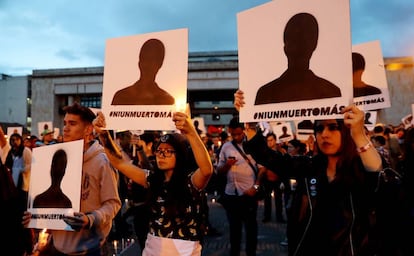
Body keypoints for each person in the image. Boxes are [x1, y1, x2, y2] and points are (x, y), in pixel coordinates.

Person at [235, 89, 384, 255]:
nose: (324, 134)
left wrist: (358, 133)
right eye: (319, 129)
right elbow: (270, 158)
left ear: (346, 130)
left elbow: (376, 170)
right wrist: (249, 123)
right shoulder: (310, 167)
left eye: (333, 127)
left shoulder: (359, 170)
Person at [93, 110, 213, 255]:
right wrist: (104, 135)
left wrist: (191, 132)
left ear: (181, 155)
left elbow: (206, 170)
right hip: (153, 247)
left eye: (168, 151)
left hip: (184, 251)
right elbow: (120, 163)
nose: (161, 155)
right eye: (159, 150)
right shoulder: (153, 179)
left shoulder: (191, 182)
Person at [23, 102, 121, 255]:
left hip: (89, 248)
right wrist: (36, 216)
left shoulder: (102, 161)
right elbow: (50, 215)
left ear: (88, 129)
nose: (66, 128)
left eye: (72, 123)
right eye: (65, 123)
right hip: (58, 248)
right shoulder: (54, 156)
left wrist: (90, 219)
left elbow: (113, 203)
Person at [254, 12, 341, 105]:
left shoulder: (266, 92)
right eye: (294, 40)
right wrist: (244, 110)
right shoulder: (330, 91)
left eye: (303, 40)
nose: (298, 46)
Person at [215, 116, 267, 256]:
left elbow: (262, 169)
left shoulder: (253, 146)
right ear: (230, 131)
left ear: (244, 130)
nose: (237, 136)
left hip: (249, 194)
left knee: (251, 229)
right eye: (234, 134)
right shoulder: (226, 147)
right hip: (231, 195)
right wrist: (227, 165)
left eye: (239, 133)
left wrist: (255, 188)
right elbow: (219, 170)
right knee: (234, 230)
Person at [111, 38, 175, 105]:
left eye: (152, 60)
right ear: (139, 63)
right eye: (145, 59)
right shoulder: (121, 96)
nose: (147, 65)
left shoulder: (167, 100)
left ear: (160, 64)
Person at [262, 133, 288, 223]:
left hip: (278, 179)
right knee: (267, 199)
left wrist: (283, 180)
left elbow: (284, 166)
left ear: (275, 140)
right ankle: (267, 216)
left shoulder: (280, 152)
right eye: (268, 140)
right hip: (267, 179)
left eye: (271, 140)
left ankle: (279, 217)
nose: (269, 142)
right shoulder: (264, 153)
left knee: (278, 199)